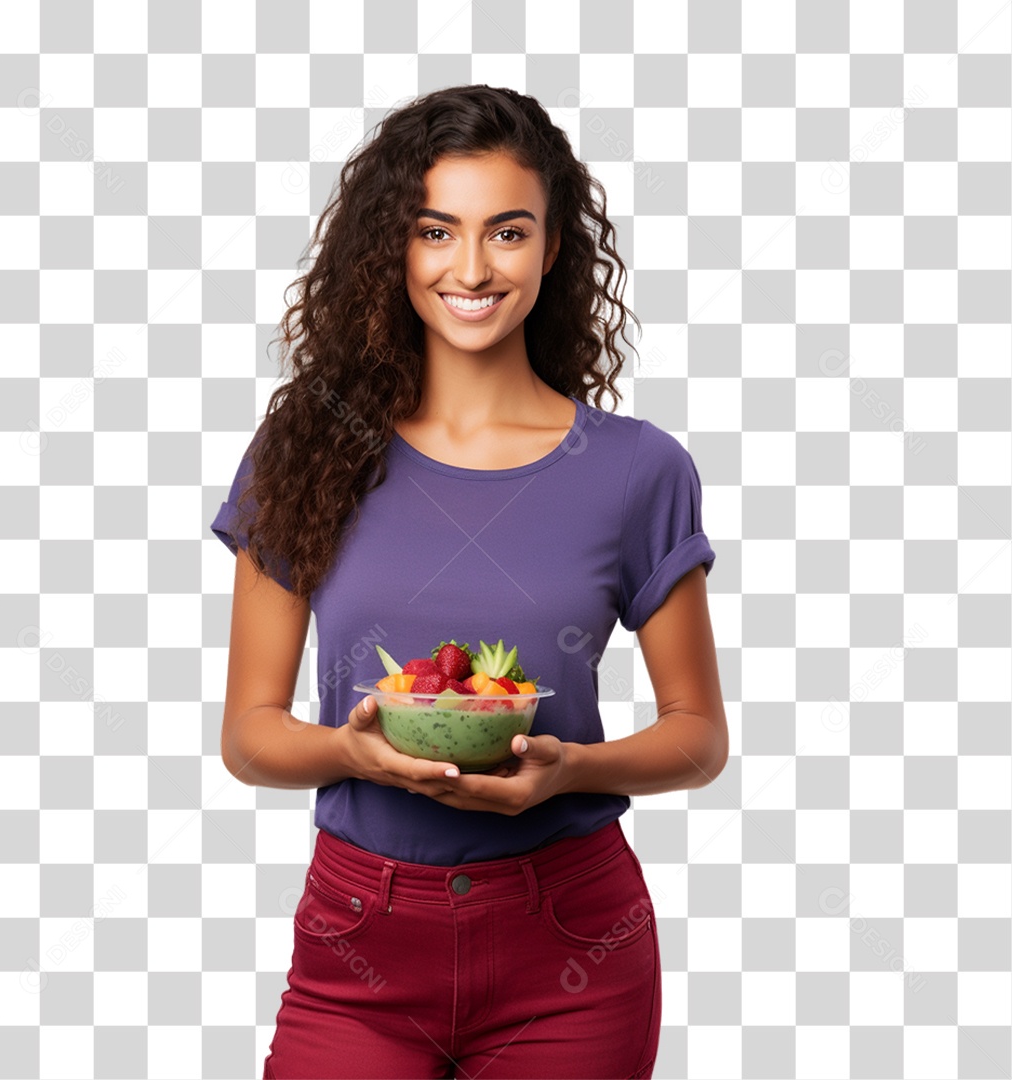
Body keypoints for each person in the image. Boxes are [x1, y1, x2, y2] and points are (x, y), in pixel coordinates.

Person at [210, 84, 727, 1080]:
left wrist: (571, 770)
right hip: (359, 938)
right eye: (436, 231)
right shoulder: (309, 450)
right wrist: (356, 755)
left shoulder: (636, 470)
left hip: (571, 939)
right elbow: (249, 735)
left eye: (509, 232)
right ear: (392, 249)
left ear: (554, 248)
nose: (473, 268)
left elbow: (697, 737)